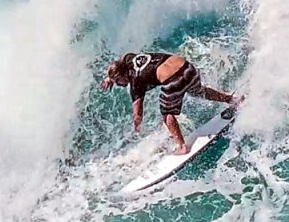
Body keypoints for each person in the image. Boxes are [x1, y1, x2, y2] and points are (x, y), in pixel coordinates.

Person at [101, 52, 238, 154]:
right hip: (188, 68)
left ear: (122, 76)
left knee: (167, 114)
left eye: (117, 82)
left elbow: (138, 114)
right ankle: (231, 99)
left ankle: (182, 147)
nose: (119, 85)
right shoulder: (127, 59)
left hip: (174, 79)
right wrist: (109, 78)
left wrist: (136, 129)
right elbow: (121, 59)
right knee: (198, 91)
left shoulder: (136, 83)